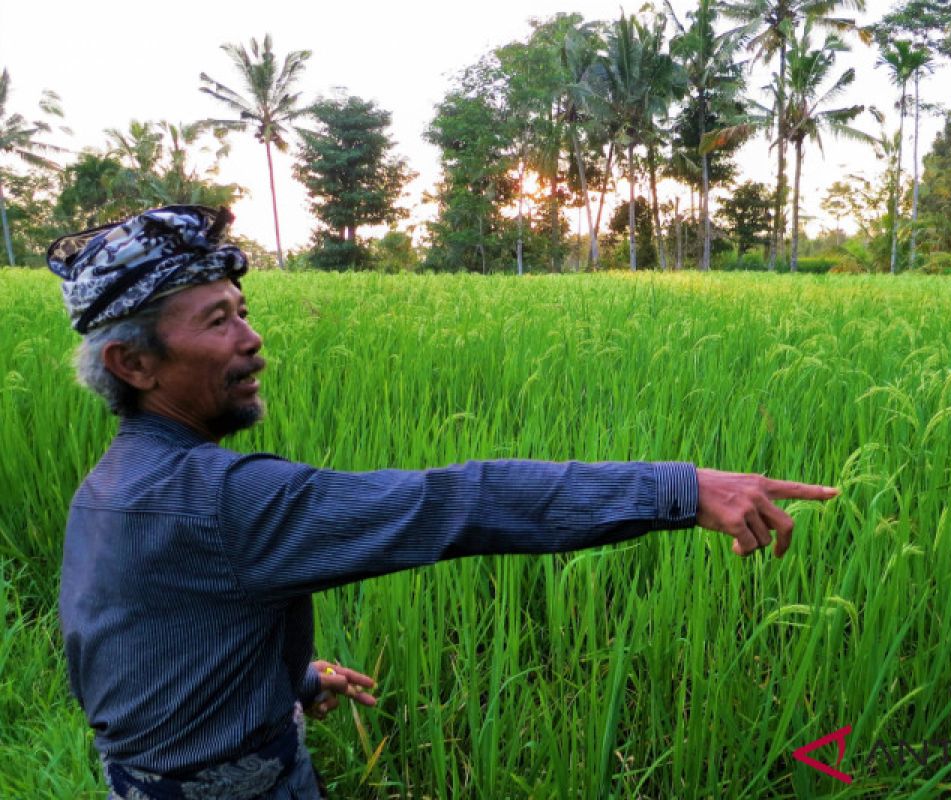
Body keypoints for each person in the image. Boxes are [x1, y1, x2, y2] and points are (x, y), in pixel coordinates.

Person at [48, 205, 840, 800]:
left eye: (244, 311)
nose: (251, 338)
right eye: (218, 321)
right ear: (135, 363)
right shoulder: (220, 501)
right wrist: (683, 488)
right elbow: (458, 504)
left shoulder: (113, 489)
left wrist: (289, 685)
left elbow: (133, 661)